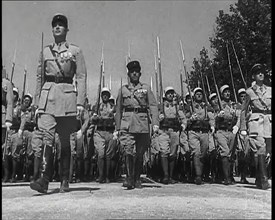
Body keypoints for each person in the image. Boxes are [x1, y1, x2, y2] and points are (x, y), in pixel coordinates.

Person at [30, 13, 87, 193]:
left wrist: (80, 103)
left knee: (64, 141)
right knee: (47, 136)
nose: (57, 27)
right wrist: (39, 103)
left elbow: (82, 76)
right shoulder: (45, 51)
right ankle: (44, 179)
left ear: (66, 29)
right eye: (55, 24)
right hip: (48, 97)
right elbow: (39, 78)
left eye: (61, 24)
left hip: (67, 96)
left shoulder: (75, 51)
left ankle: (64, 179)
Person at [114, 60, 159, 189]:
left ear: (140, 74)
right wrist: (117, 128)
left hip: (142, 123)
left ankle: (137, 177)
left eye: (136, 72)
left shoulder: (146, 89)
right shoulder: (123, 90)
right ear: (128, 74)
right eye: (132, 72)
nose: (134, 74)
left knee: (140, 153)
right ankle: (129, 178)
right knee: (128, 150)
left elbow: (153, 106)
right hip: (127, 123)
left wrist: (155, 123)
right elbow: (118, 109)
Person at [240, 64, 271, 190]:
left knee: (268, 152)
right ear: (253, 76)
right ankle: (263, 179)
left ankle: (259, 177)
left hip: (269, 122)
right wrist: (243, 127)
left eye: (262, 72)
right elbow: (243, 111)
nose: (261, 74)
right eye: (258, 72)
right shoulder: (249, 92)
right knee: (260, 148)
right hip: (256, 122)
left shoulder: (270, 90)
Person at [155, 86, 186, 184]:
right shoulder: (160, 106)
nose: (170, 95)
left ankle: (171, 176)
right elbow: (154, 118)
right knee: (164, 152)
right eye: (168, 93)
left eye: (172, 93)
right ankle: (165, 175)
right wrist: (158, 119)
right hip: (163, 132)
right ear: (165, 95)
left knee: (173, 154)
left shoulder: (177, 107)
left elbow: (183, 118)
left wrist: (183, 124)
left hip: (174, 132)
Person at [185, 87, 215, 185]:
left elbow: (211, 118)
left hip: (205, 132)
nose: (199, 95)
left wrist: (212, 126)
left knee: (204, 153)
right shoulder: (189, 106)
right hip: (193, 132)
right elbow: (183, 119)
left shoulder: (207, 106)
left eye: (200, 93)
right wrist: (190, 119)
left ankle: (200, 174)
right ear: (194, 95)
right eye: (197, 93)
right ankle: (198, 176)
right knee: (196, 152)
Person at [90, 87, 117, 183]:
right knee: (101, 154)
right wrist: (94, 117)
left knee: (109, 155)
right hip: (100, 132)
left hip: (110, 132)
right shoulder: (96, 107)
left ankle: (108, 176)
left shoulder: (113, 107)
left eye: (106, 94)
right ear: (101, 96)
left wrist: (116, 131)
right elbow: (91, 120)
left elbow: (117, 119)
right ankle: (101, 175)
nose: (105, 96)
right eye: (103, 94)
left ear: (109, 96)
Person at [215, 84, 239, 185]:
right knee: (225, 152)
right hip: (221, 131)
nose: (227, 93)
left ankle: (229, 175)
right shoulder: (218, 104)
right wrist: (218, 116)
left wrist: (237, 127)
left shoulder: (234, 105)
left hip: (231, 131)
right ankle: (226, 178)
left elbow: (239, 117)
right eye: (225, 92)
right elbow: (212, 118)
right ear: (221, 94)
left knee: (231, 154)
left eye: (228, 91)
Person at [20, 93, 37, 182]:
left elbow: (34, 121)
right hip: (20, 132)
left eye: (28, 100)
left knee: (29, 155)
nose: (26, 102)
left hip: (29, 132)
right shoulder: (19, 109)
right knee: (20, 154)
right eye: (25, 100)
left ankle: (28, 174)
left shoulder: (32, 110)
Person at [2, 67, 14, 182]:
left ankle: (6, 174)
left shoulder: (6, 83)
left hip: (2, 118)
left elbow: (10, 102)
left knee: (4, 149)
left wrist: (8, 119)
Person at [9, 88, 23, 182]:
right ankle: (7, 175)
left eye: (14, 94)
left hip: (15, 131)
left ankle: (14, 175)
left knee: (15, 154)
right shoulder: (7, 106)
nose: (13, 95)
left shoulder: (19, 108)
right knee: (6, 154)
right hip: (7, 131)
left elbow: (23, 119)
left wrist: (20, 130)